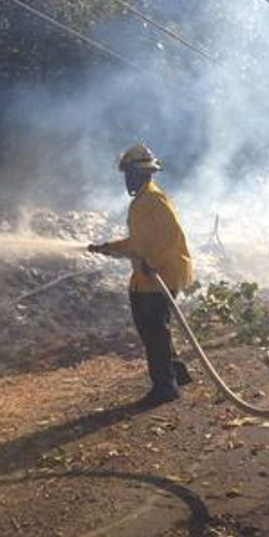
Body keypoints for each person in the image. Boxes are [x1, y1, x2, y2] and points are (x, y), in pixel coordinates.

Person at [88, 143, 194, 406]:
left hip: (160, 277)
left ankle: (165, 387)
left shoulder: (153, 199)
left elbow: (172, 234)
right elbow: (139, 242)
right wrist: (107, 248)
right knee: (155, 330)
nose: (127, 179)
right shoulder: (144, 199)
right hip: (149, 277)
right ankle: (177, 373)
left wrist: (153, 263)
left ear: (142, 173)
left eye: (130, 174)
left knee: (153, 331)